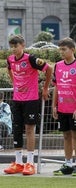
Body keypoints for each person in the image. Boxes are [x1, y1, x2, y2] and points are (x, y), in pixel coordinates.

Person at [3, 34, 52, 175]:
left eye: (16, 46)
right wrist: (15, 83)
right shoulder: (10, 59)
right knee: (17, 129)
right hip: (17, 99)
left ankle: (30, 163)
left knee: (30, 129)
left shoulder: (31, 59)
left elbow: (49, 69)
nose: (13, 49)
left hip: (31, 99)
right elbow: (9, 69)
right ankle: (18, 163)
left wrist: (45, 88)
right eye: (11, 46)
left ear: (23, 45)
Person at [51, 37, 76, 176]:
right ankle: (68, 164)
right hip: (62, 108)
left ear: (72, 50)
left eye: (64, 49)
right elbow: (56, 87)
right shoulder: (58, 65)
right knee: (66, 136)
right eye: (60, 49)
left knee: (75, 137)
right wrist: (54, 105)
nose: (61, 52)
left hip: (74, 110)